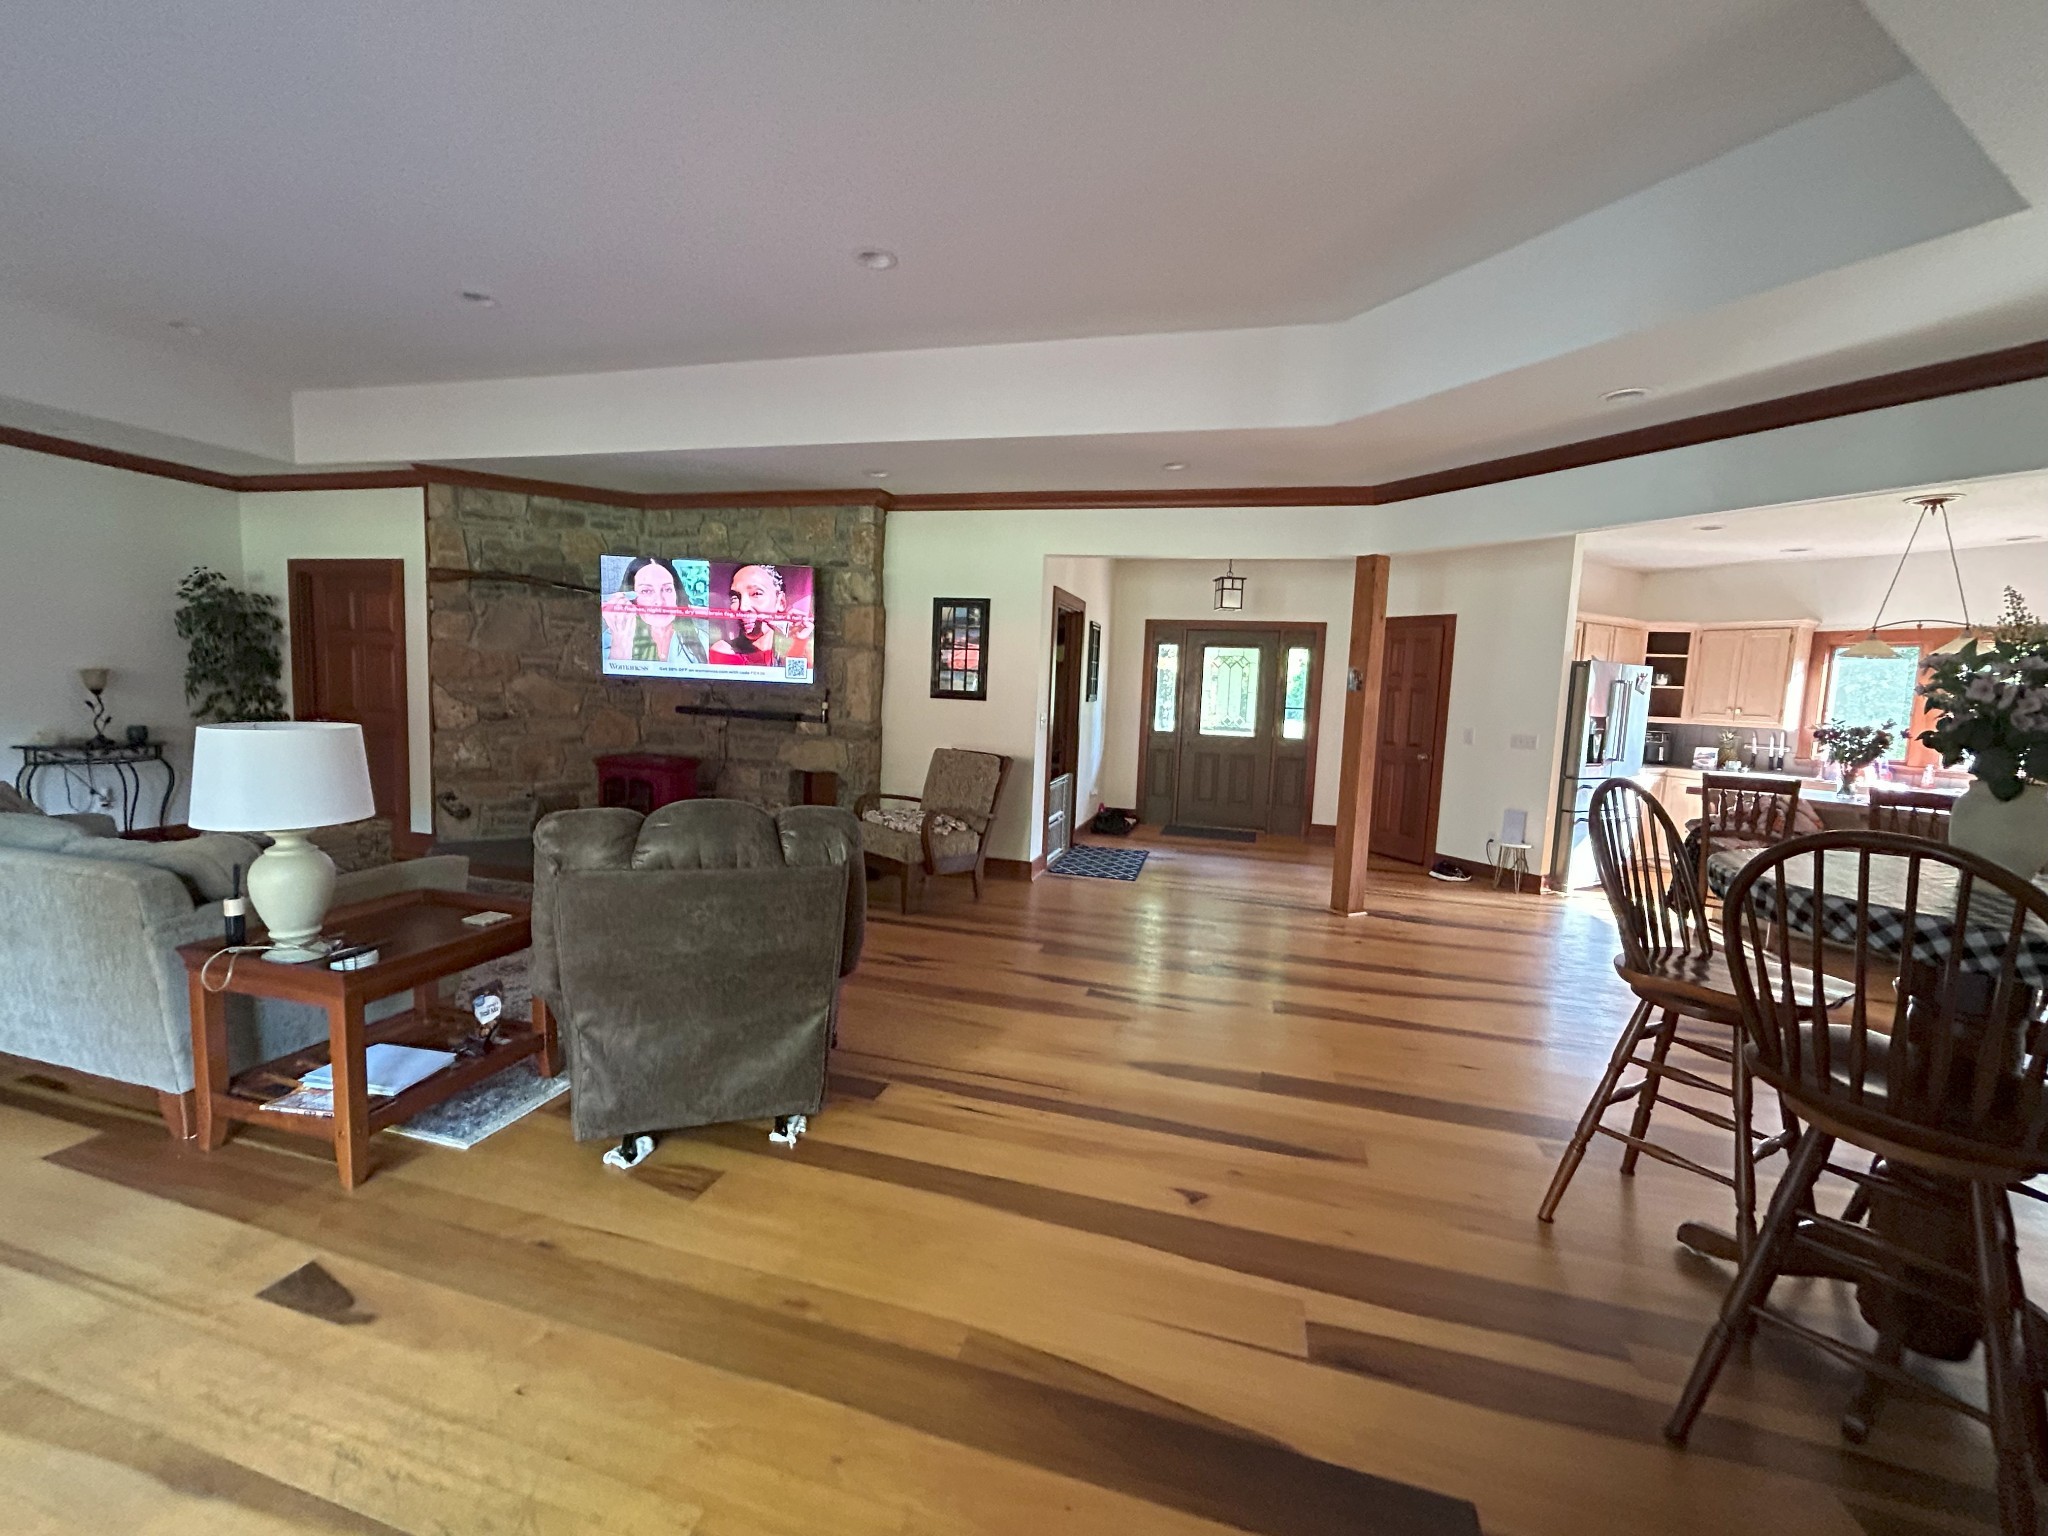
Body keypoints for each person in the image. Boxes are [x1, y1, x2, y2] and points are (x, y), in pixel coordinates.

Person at [602, 557, 707, 665]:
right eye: (646, 591)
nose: (660, 601)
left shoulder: (702, 640)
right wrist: (621, 641)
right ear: (632, 599)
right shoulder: (610, 638)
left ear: (677, 594)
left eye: (667, 589)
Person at [709, 563, 813, 668]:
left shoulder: (791, 650)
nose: (743, 608)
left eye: (756, 594)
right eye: (735, 597)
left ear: (780, 602)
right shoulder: (723, 652)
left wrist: (799, 643)